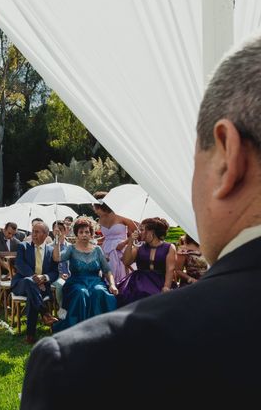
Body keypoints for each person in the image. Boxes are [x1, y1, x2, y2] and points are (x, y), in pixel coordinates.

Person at [21, 35, 261, 406]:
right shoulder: (83, 245)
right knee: (87, 290)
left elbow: (107, 267)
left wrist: (113, 273)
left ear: (227, 157)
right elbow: (64, 261)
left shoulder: (81, 366)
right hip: (102, 279)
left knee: (101, 290)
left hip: (126, 288)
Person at [51, 217, 117, 333]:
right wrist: (56, 239)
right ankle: (78, 330)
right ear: (76, 234)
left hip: (95, 281)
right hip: (76, 282)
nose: (84, 234)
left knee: (99, 292)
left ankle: (100, 329)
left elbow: (107, 270)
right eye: (81, 232)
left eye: (87, 232)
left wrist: (112, 284)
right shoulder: (71, 249)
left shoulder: (97, 250)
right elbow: (57, 258)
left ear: (91, 234)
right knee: (81, 293)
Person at [12, 221, 60, 344]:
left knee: (32, 297)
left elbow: (55, 272)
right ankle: (45, 313)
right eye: (33, 231)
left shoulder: (51, 251)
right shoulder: (23, 246)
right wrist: (35, 278)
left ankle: (30, 335)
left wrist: (44, 278)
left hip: (42, 287)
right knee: (29, 282)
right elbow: (19, 265)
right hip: (21, 283)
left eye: (37, 232)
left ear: (45, 234)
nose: (33, 234)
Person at [116, 217, 176, 306]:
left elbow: (170, 269)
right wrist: (130, 242)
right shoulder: (139, 246)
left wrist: (166, 287)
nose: (139, 232)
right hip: (139, 281)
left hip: (160, 281)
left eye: (142, 229)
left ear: (152, 231)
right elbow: (126, 261)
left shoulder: (169, 247)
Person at [92, 192, 137, 282]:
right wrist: (94, 241)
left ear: (102, 206)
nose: (94, 211)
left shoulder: (121, 215)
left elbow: (136, 232)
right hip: (107, 250)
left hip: (122, 249)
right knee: (108, 275)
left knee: (124, 276)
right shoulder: (100, 219)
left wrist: (124, 243)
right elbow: (108, 237)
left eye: (96, 208)